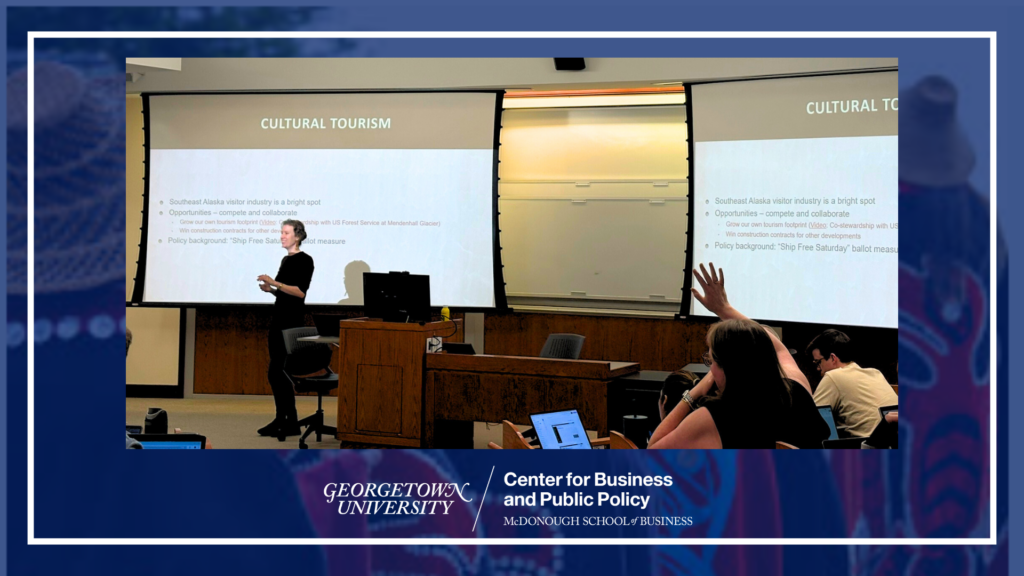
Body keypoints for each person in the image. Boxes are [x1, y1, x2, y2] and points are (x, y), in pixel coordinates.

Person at [649, 264, 829, 449]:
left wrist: (693, 394)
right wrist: (724, 309)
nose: (710, 368)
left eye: (711, 361)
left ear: (727, 368)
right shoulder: (796, 390)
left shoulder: (714, 416)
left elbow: (653, 450)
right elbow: (776, 347)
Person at [257, 219, 315, 437]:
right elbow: (285, 292)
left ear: (297, 236)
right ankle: (284, 418)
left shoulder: (305, 260)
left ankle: (288, 420)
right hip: (278, 319)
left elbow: (300, 292)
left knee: (278, 372)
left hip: (290, 324)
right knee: (276, 374)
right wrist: (271, 289)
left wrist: (276, 283)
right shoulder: (285, 260)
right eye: (281, 232)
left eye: (286, 232)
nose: (282, 236)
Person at [806, 329, 898, 438]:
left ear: (832, 358)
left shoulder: (833, 376)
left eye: (818, 362)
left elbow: (811, 421)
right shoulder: (875, 372)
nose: (818, 368)